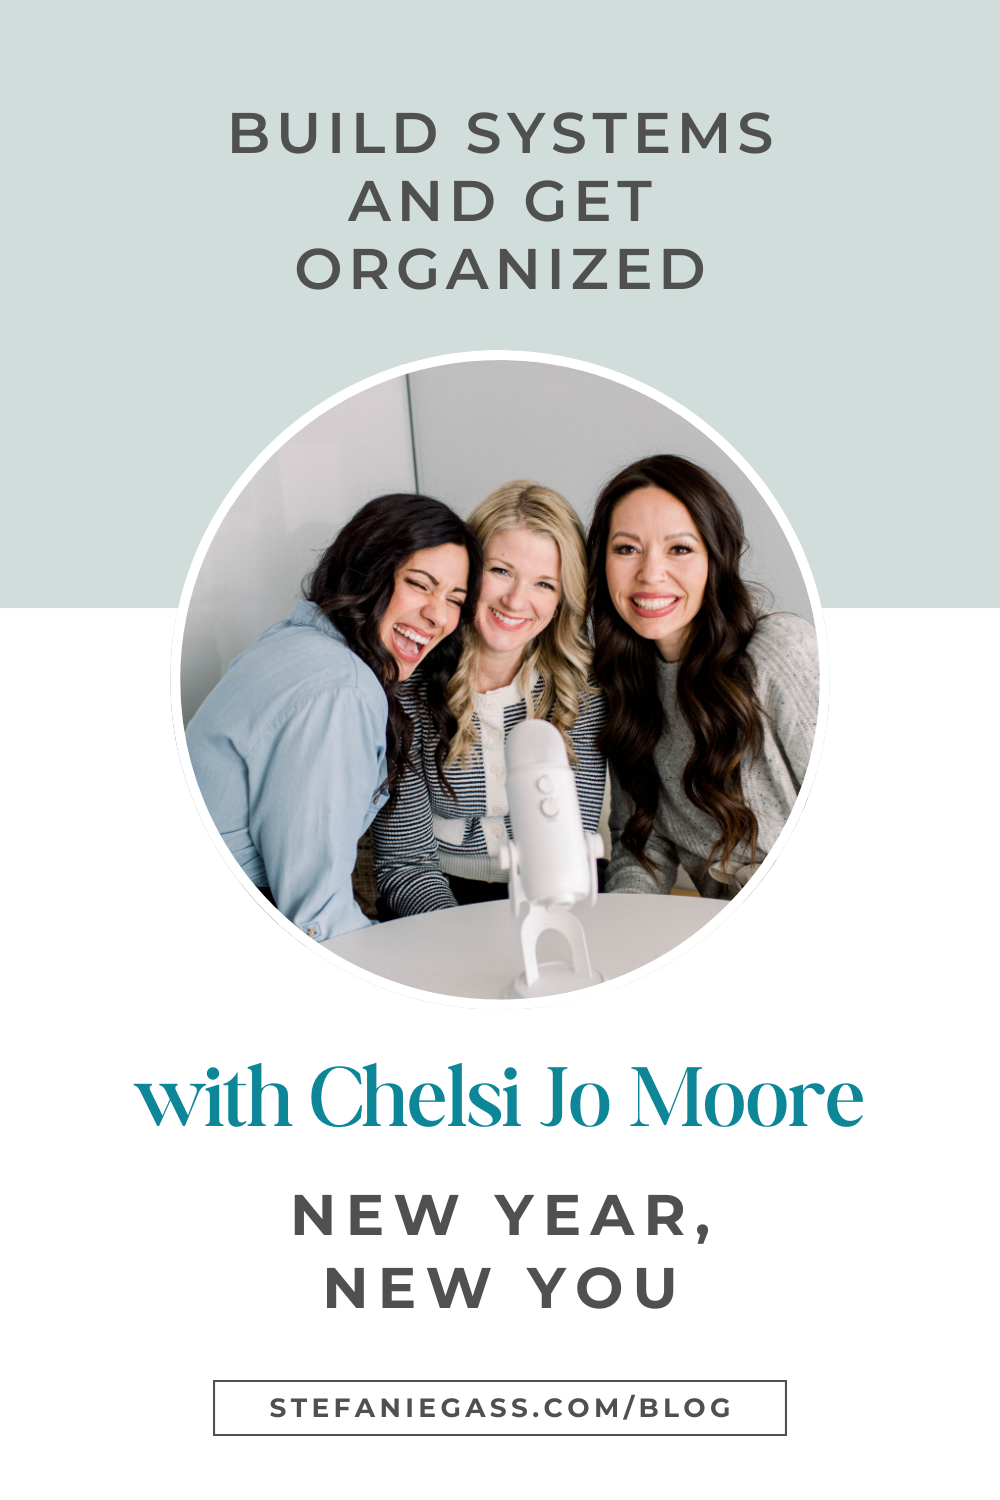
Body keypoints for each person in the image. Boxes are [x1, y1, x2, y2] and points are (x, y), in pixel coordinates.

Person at [185, 493, 482, 940]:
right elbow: (316, 919)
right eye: (420, 584)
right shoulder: (342, 688)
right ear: (368, 569)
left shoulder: (296, 643)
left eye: (454, 598)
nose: (438, 615)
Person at [587, 455, 818, 899]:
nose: (650, 574)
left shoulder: (778, 649)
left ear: (717, 556)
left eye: (680, 549)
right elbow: (641, 849)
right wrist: (619, 927)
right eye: (626, 548)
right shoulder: (622, 679)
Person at [372, 481, 606, 915]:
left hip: (560, 892)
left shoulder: (582, 689)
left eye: (544, 584)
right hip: (437, 897)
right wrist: (465, 941)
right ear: (468, 573)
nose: (517, 600)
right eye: (500, 571)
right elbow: (405, 863)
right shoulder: (407, 687)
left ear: (562, 599)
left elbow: (571, 843)